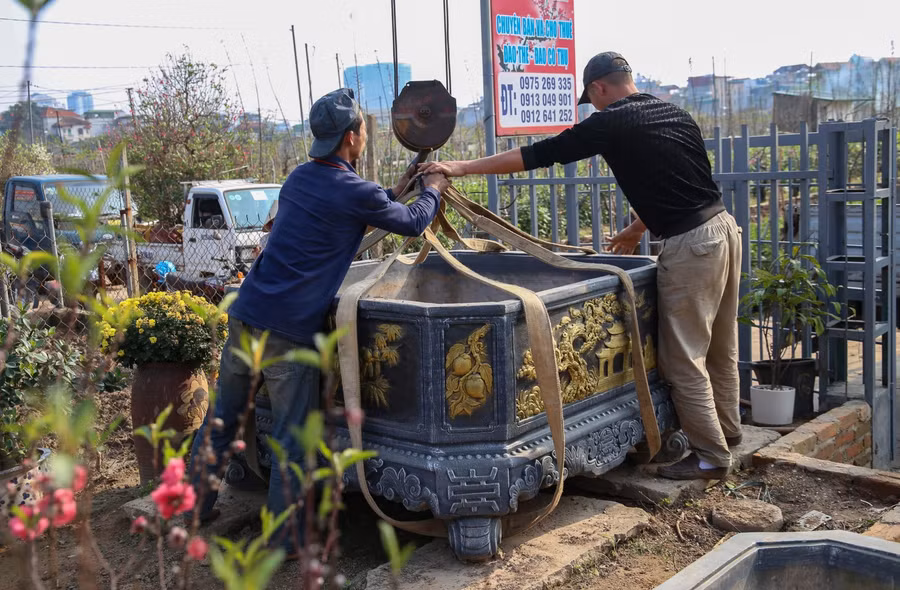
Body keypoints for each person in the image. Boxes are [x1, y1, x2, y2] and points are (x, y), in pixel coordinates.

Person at [420, 52, 742, 481]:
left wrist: (458, 167)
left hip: (691, 248)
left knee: (683, 358)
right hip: (723, 230)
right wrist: (633, 229)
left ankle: (711, 458)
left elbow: (540, 153)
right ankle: (730, 433)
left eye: (591, 101)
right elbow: (681, 182)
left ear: (597, 89)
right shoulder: (673, 113)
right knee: (721, 346)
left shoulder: (611, 122)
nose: (593, 107)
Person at [188, 88, 449, 552]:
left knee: (222, 417)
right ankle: (283, 539)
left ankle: (191, 506)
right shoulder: (353, 191)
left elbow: (362, 205)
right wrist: (432, 190)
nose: (365, 136)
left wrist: (403, 184)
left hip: (246, 313)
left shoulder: (300, 179)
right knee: (293, 438)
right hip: (287, 333)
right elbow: (409, 224)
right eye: (364, 130)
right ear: (351, 138)